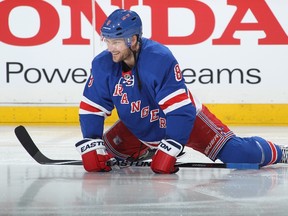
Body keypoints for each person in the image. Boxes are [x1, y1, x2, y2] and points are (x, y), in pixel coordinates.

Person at [75, 9, 288, 174]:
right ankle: (144, 149)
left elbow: (180, 111)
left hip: (185, 122)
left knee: (241, 155)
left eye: (116, 42)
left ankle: (281, 152)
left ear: (132, 40)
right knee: (100, 159)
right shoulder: (103, 63)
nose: (110, 47)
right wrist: (91, 141)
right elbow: (92, 107)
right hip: (136, 126)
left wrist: (170, 148)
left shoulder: (159, 58)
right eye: (108, 41)